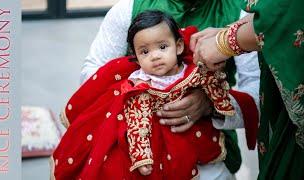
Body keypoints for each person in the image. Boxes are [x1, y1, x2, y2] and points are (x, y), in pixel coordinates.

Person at [79, 0, 260, 179]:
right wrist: (140, 95)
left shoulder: (241, 13)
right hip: (136, 152)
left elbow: (260, 97)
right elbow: (92, 76)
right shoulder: (128, 9)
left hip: (209, 148)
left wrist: (209, 104)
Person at [191, 0, 304, 179]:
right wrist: (233, 31)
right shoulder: (131, 8)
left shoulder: (232, 7)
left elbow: (291, 12)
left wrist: (225, 42)